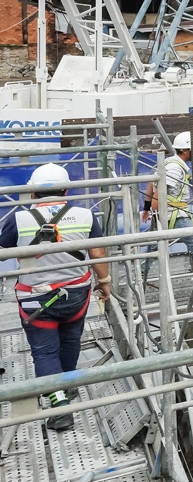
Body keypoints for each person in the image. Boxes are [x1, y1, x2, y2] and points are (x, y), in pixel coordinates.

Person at [4, 163, 112, 432]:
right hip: (76, 294)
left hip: (36, 299)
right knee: (70, 340)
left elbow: (4, 249)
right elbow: (97, 253)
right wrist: (105, 283)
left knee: (44, 351)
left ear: (32, 192)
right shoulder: (85, 215)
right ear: (66, 190)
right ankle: (66, 386)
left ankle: (60, 404)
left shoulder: (19, 219)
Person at [144, 131, 193, 230]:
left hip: (172, 216)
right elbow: (159, 191)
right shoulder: (175, 168)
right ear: (185, 151)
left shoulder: (168, 162)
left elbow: (151, 183)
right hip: (177, 217)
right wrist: (155, 216)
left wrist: (147, 208)